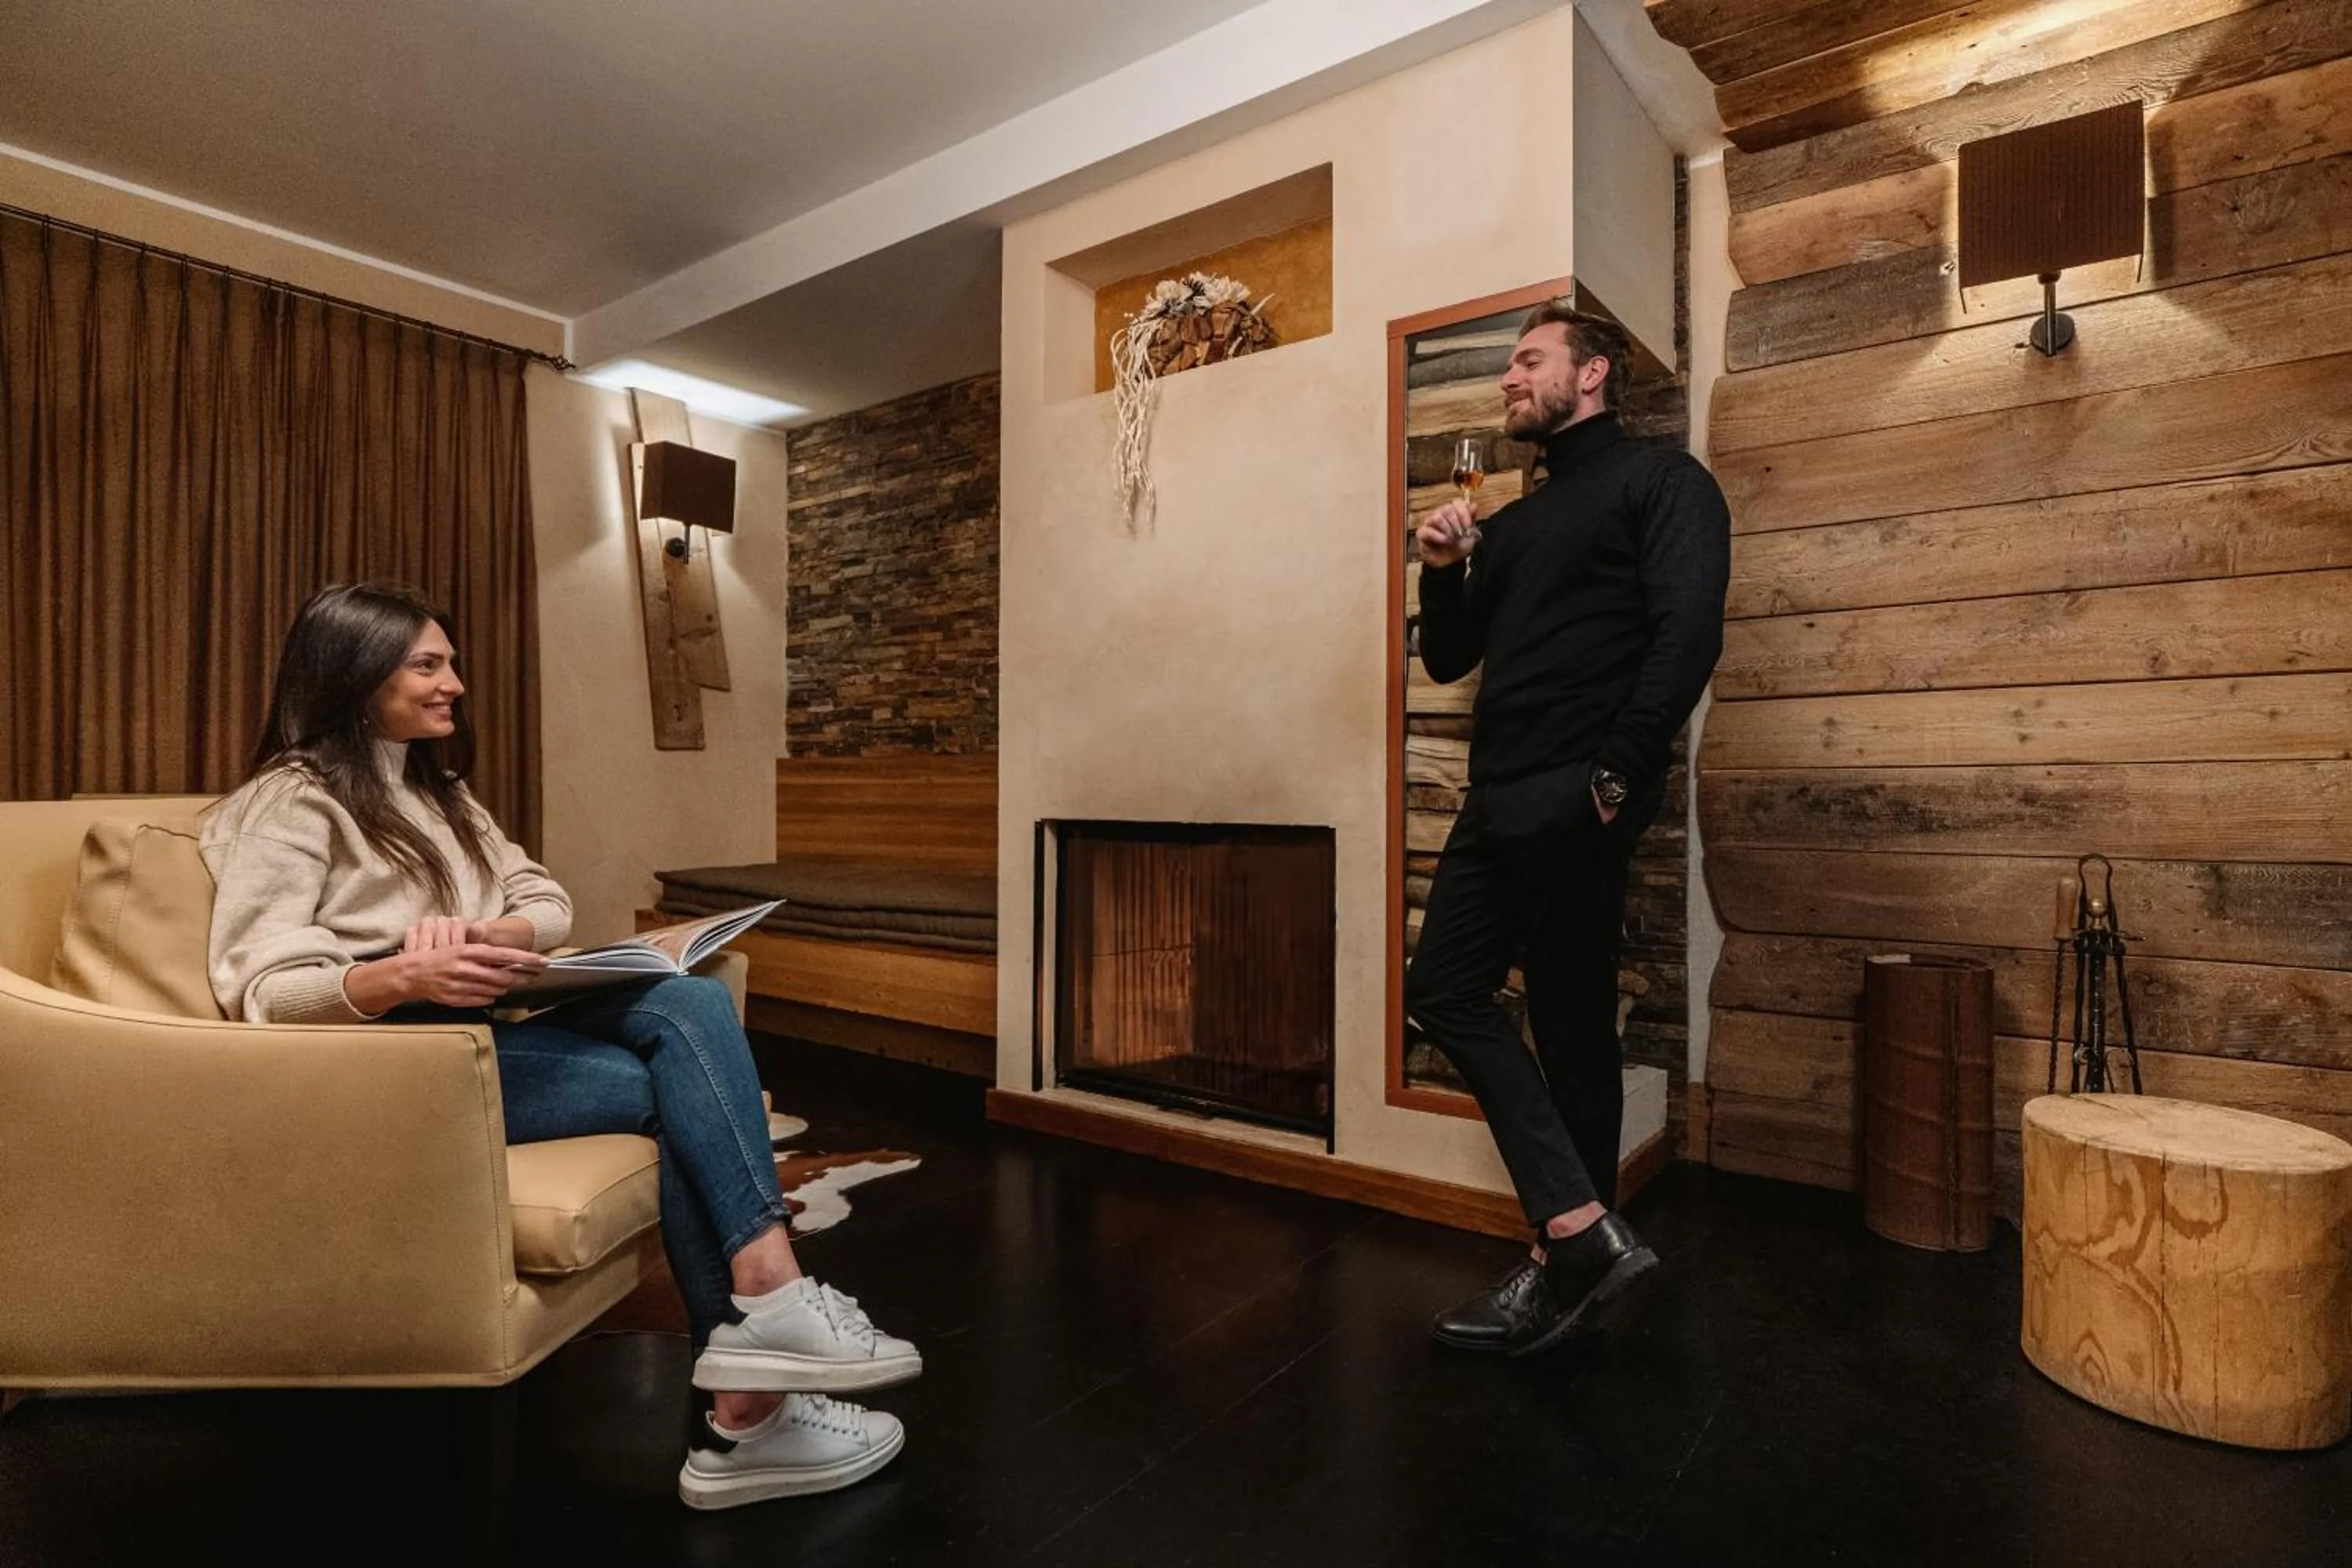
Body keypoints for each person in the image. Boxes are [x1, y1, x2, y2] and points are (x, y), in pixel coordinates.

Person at [200, 581, 916, 1508]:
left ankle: (765, 1321)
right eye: (428, 663)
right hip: (396, 1067)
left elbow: (543, 895)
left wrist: (505, 936)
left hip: (484, 1031)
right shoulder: (291, 803)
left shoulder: (439, 790)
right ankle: (750, 1403)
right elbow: (261, 990)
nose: (455, 682)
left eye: (451, 661)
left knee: (686, 1002)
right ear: (355, 673)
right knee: (683, 1085)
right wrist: (402, 976)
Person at [1406, 305, 1730, 1357]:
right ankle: (1580, 1243)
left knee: (1551, 1018)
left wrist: (1617, 774)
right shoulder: (1507, 522)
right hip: (1500, 795)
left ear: (1589, 376)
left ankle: (1566, 1254)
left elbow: (1687, 630)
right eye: (1509, 363)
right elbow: (1451, 660)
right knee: (1491, 1002)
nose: (1509, 378)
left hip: (1574, 795)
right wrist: (1443, 566)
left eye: (1527, 360)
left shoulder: (1662, 483)